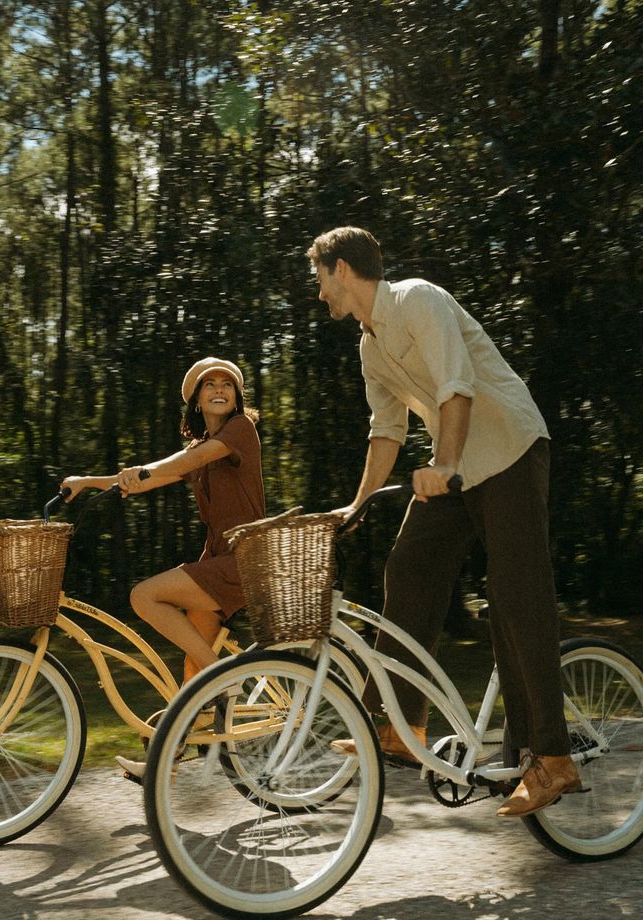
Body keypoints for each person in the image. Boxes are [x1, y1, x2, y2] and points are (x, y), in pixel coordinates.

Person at [307, 226, 582, 818]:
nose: (319, 291)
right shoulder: (369, 345)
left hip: (506, 449)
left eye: (320, 277)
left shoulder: (416, 300)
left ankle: (552, 757)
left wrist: (447, 463)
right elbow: (386, 432)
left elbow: (457, 386)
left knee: (515, 595)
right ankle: (399, 724)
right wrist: (355, 506)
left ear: (344, 270)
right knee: (408, 569)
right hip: (455, 470)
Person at [61, 357, 265, 779]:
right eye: (209, 385)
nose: (219, 389)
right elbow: (158, 474)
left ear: (237, 396)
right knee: (192, 672)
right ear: (196, 400)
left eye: (227, 383)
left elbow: (174, 466)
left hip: (242, 560)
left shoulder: (241, 431)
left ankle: (223, 677)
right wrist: (87, 482)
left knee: (145, 595)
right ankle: (165, 762)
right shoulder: (199, 450)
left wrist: (144, 472)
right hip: (219, 560)